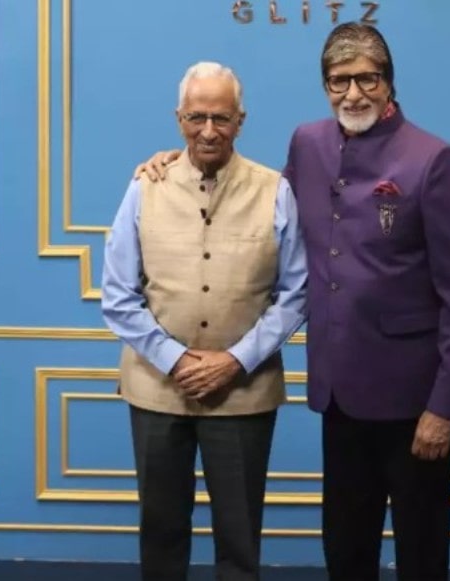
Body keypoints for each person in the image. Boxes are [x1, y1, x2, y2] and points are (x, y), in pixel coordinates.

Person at [136, 23, 450, 581]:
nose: (353, 93)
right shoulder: (309, 143)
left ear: (389, 82)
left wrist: (444, 407)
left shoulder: (433, 158)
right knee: (345, 552)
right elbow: (258, 200)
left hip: (414, 401)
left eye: (367, 79)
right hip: (338, 394)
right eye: (339, 80)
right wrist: (181, 161)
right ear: (325, 86)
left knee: (421, 556)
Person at [102, 61, 307, 581]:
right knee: (161, 532)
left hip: (244, 392)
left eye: (221, 118)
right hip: (155, 390)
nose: (209, 131)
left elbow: (296, 293)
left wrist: (235, 361)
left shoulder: (276, 190)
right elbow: (118, 296)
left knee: (240, 537)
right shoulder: (144, 186)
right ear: (179, 119)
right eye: (197, 117)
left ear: (241, 120)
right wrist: (176, 360)